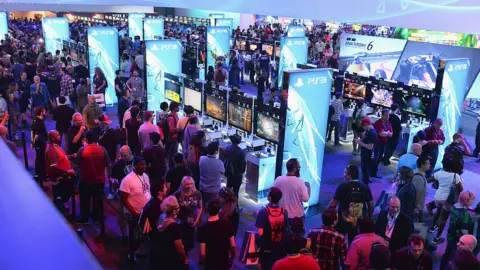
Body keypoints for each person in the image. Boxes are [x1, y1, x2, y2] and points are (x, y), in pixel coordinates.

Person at [328, 164, 374, 243]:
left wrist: (330, 218)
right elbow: (371, 205)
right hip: (359, 223)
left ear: (349, 175)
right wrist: (368, 217)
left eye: (345, 173)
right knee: (355, 243)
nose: (344, 175)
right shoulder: (365, 187)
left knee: (339, 241)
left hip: (342, 222)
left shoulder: (342, 187)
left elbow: (333, 204)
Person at [75, 130, 111, 223]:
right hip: (99, 180)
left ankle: (84, 217)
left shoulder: (82, 150)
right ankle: (97, 217)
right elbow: (108, 164)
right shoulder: (102, 149)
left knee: (84, 201)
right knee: (97, 200)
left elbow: (77, 165)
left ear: (86, 139)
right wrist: (109, 178)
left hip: (85, 179)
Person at [427, 158, 464, 245]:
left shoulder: (439, 173)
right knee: (443, 219)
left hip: (438, 197)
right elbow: (461, 189)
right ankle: (436, 238)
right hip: (448, 200)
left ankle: (432, 227)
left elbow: (428, 180)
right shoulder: (456, 176)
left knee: (438, 212)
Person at [440, 190, 475, 269]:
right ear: (466, 200)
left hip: (450, 234)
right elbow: (464, 230)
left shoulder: (455, 206)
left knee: (447, 253)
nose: (473, 202)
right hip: (457, 238)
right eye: (472, 200)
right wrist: (468, 240)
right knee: (454, 257)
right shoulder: (465, 213)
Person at [197, 198, 236, 270]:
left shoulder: (202, 228)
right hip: (224, 262)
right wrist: (231, 258)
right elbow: (233, 245)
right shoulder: (227, 224)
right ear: (219, 210)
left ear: (207, 210)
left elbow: (202, 253)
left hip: (210, 263)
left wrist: (202, 263)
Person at [255, 187, 288, 270]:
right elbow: (286, 229)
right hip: (280, 247)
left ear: (269, 197)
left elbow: (260, 232)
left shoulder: (263, 212)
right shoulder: (284, 211)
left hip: (267, 248)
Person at [154, 196, 189, 270]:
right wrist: (185, 257)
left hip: (161, 255)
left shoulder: (161, 217)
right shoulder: (174, 226)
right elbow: (179, 248)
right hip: (172, 258)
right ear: (174, 211)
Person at [45, 130, 75, 211]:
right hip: (59, 177)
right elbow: (54, 166)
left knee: (61, 193)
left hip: (62, 175)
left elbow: (62, 157)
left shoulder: (56, 146)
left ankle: (59, 205)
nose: (60, 136)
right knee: (62, 193)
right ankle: (60, 207)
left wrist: (71, 156)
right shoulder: (51, 150)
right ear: (52, 137)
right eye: (58, 135)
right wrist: (67, 171)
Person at [273, 158, 310, 224]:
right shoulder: (300, 182)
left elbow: (273, 195)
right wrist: (308, 187)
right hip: (297, 217)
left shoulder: (278, 179)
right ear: (295, 169)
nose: (300, 168)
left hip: (282, 215)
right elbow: (306, 199)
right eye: (299, 167)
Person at [173, 176, 203, 255]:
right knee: (179, 245)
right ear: (183, 184)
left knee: (188, 246)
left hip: (191, 223)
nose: (190, 186)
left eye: (191, 184)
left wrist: (197, 220)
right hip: (179, 223)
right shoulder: (178, 194)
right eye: (187, 184)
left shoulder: (197, 193)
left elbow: (200, 207)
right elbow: (170, 205)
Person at [355, 117, 377, 184]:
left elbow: (370, 147)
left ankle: (365, 184)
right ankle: (366, 181)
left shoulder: (372, 133)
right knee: (364, 169)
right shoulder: (368, 131)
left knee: (365, 169)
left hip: (368, 155)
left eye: (363, 126)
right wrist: (360, 140)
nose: (363, 128)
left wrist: (359, 142)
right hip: (365, 153)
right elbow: (366, 140)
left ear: (366, 124)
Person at [372, 109, 393, 178]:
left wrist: (385, 133)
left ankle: (374, 171)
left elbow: (391, 134)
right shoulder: (378, 123)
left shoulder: (388, 123)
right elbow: (381, 134)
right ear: (382, 115)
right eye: (386, 115)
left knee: (380, 157)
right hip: (377, 142)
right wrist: (387, 133)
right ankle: (372, 172)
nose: (387, 117)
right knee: (376, 157)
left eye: (388, 115)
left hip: (384, 142)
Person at [31, 106, 48, 184]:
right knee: (41, 159)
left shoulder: (34, 120)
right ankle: (41, 176)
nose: (45, 111)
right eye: (43, 110)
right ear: (41, 112)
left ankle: (40, 175)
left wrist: (32, 142)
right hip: (40, 142)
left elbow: (32, 131)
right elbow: (37, 134)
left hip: (38, 142)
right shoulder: (40, 122)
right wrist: (33, 143)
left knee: (38, 158)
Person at [412, 155, 431, 222]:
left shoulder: (419, 174)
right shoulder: (419, 178)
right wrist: (416, 207)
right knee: (418, 226)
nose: (429, 165)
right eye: (428, 163)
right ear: (422, 165)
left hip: (418, 206)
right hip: (418, 207)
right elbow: (417, 193)